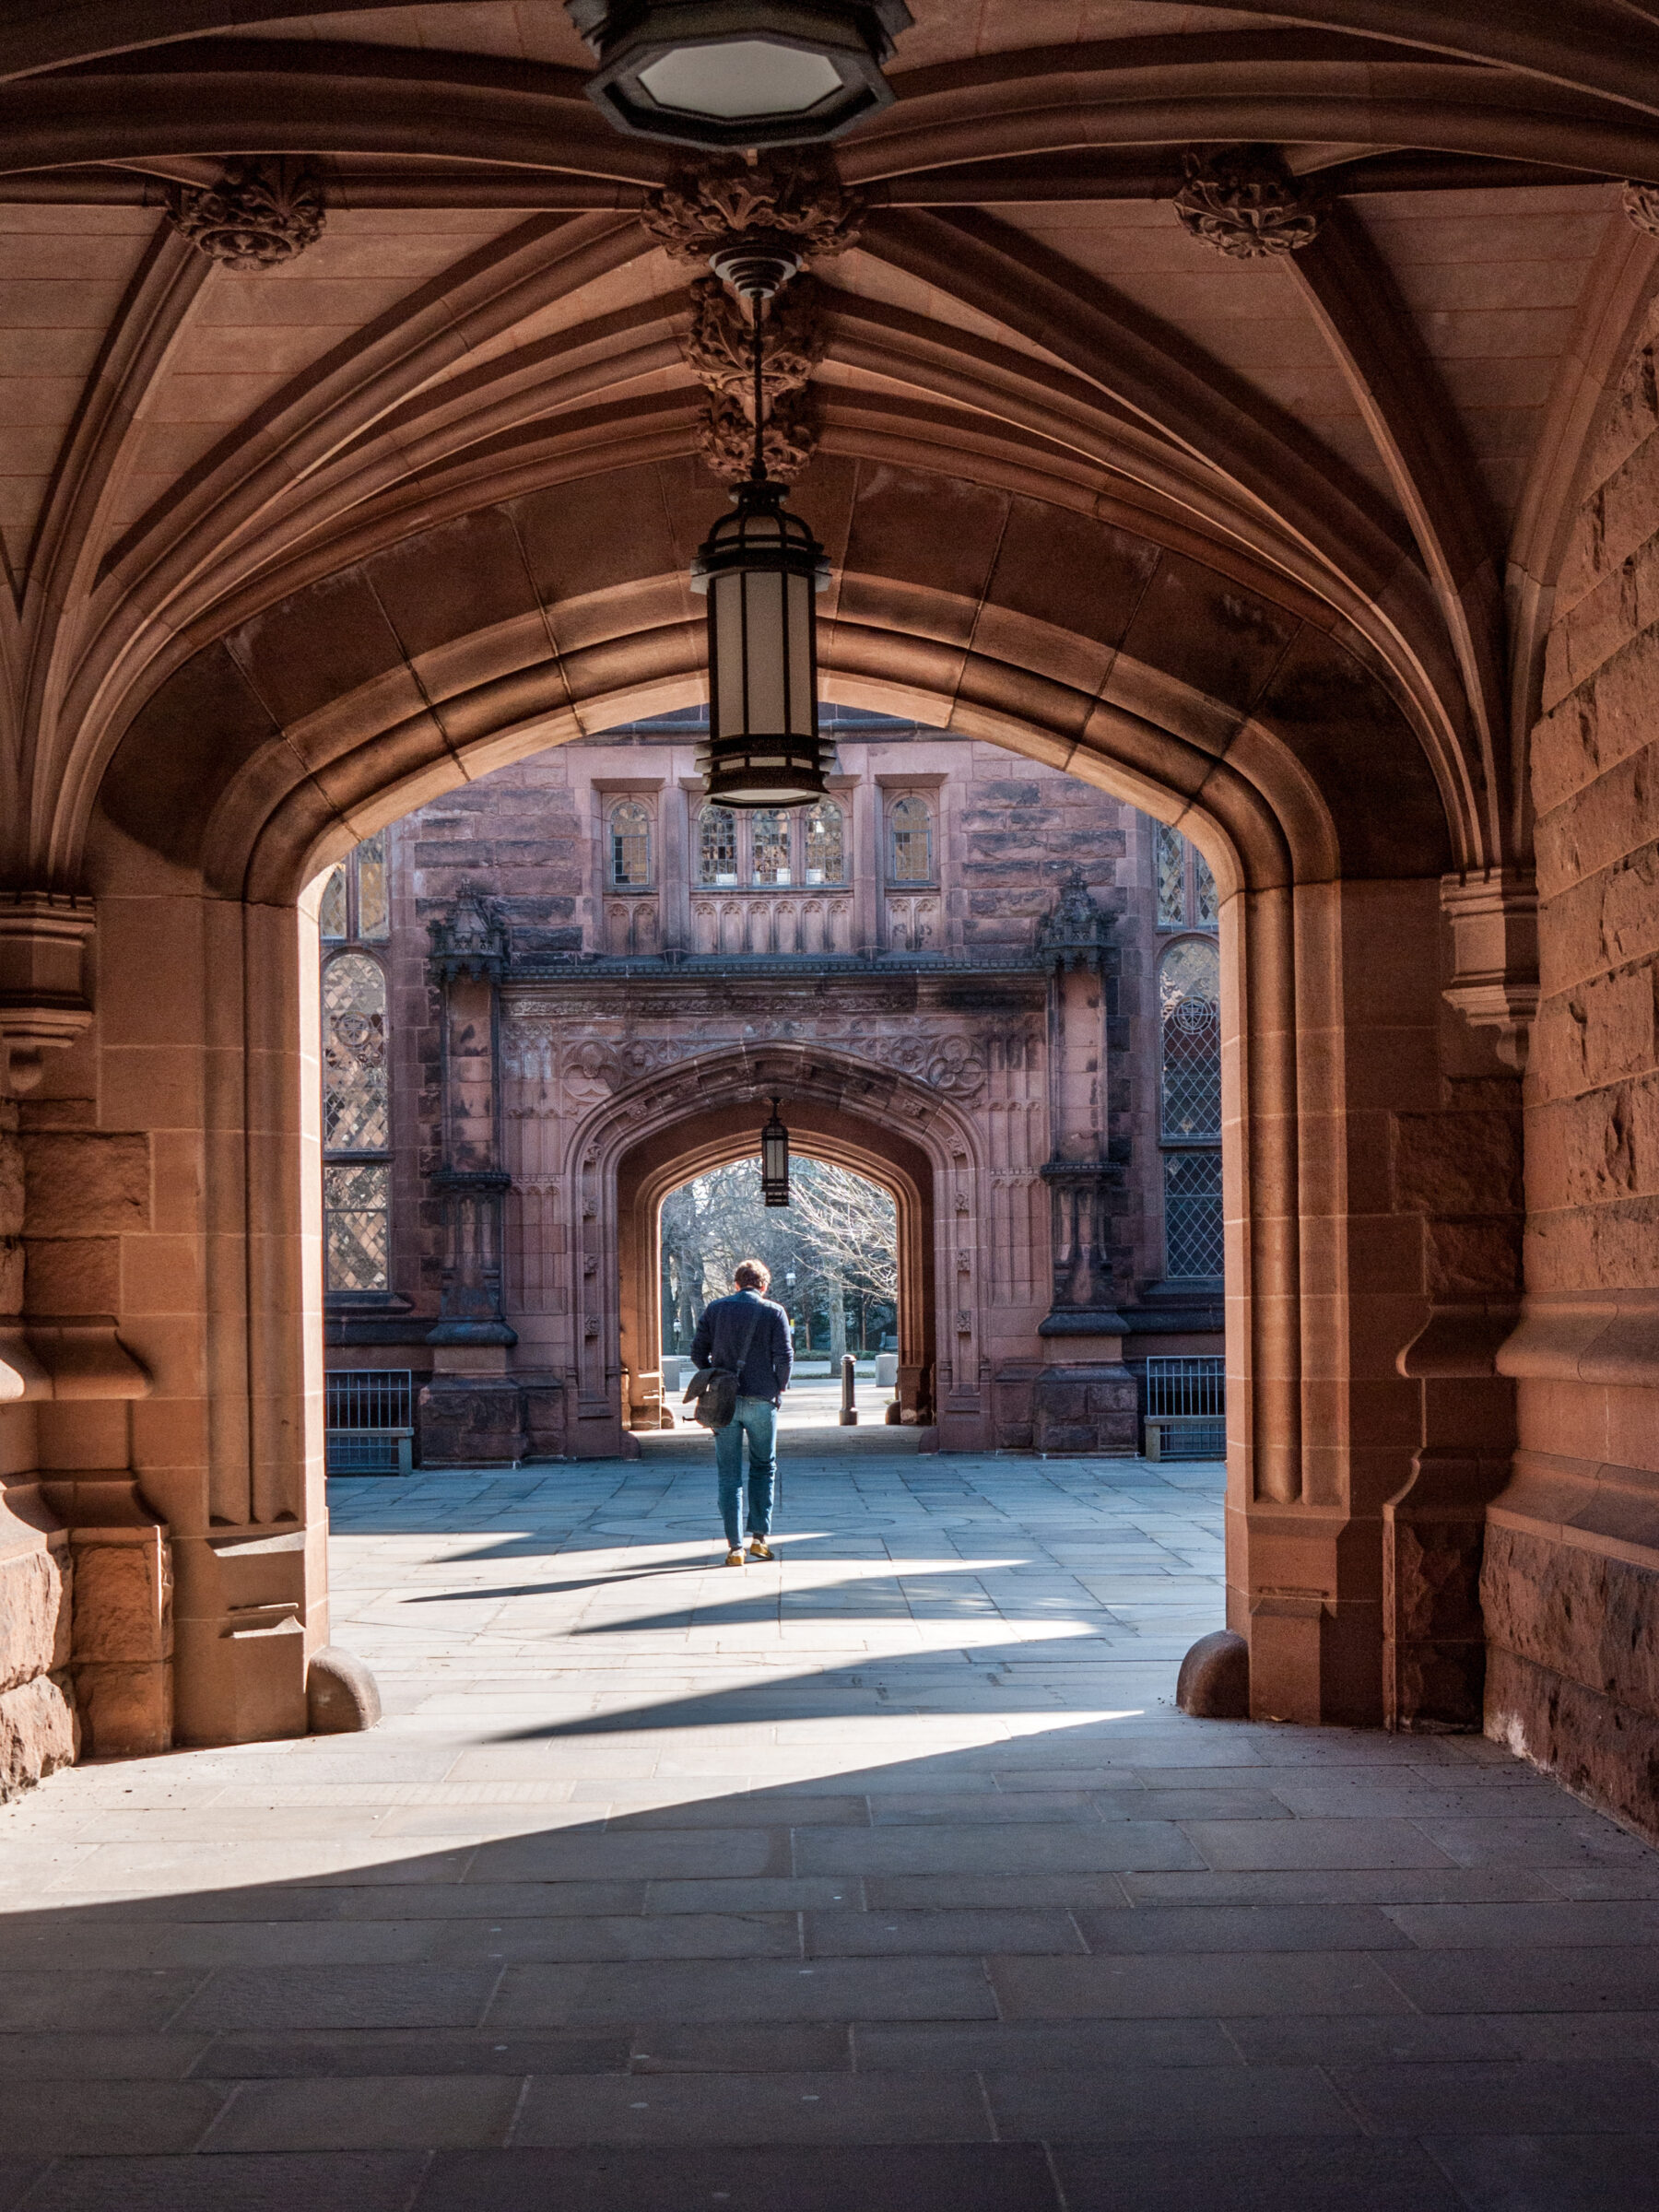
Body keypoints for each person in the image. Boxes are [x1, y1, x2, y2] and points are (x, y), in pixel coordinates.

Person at [691, 1258, 793, 1566]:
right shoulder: (774, 1311)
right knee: (764, 1466)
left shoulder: (715, 1309)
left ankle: (735, 1548)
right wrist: (779, 1386)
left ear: (736, 1284)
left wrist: (716, 1376)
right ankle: (760, 1539)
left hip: (725, 1402)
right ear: (764, 1286)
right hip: (762, 1399)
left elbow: (696, 1353)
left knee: (729, 1474)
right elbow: (784, 1357)